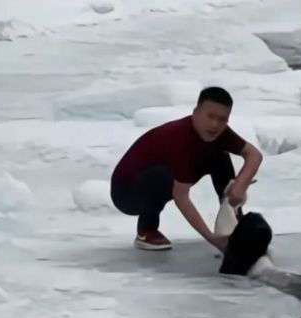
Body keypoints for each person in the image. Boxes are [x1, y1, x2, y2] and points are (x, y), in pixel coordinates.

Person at [110, 86, 263, 251]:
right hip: (126, 193)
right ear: (195, 112)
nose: (215, 124)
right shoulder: (180, 139)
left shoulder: (220, 133)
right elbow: (181, 197)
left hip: (157, 179)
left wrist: (239, 186)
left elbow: (254, 155)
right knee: (163, 176)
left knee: (220, 156)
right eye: (210, 116)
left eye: (222, 119)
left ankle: (233, 223)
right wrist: (213, 240)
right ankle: (147, 230)